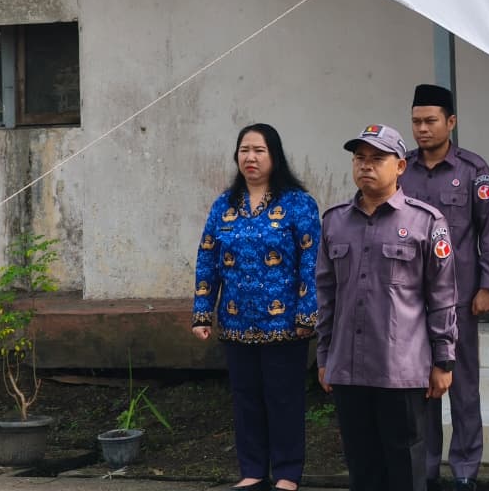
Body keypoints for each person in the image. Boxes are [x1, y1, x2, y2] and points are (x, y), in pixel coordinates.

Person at [316, 123, 458, 491]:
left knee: (405, 466)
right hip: (348, 368)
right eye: (359, 158)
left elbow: (442, 296)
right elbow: (326, 295)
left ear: (400, 166)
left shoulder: (426, 222)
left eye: (377, 158)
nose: (366, 165)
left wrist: (443, 360)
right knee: (362, 467)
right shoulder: (334, 222)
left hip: (401, 370)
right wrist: (324, 356)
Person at [192, 123, 320, 491]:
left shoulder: (298, 203)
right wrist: (202, 312)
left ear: (274, 156)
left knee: (284, 400)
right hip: (235, 321)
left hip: (285, 325)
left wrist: (307, 314)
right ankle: (253, 471)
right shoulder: (224, 205)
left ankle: (287, 473)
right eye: (244, 150)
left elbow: (312, 262)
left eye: (259, 150)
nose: (250, 157)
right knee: (246, 400)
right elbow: (207, 258)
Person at [401, 83, 489, 491]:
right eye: (416, 122)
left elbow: (488, 232)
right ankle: (426, 469)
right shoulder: (401, 168)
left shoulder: (473, 170)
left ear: (451, 122)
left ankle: (464, 470)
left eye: (430, 121)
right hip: (409, 298)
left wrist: (488, 285)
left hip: (459, 297)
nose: (422, 129)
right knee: (420, 386)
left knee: (462, 386)